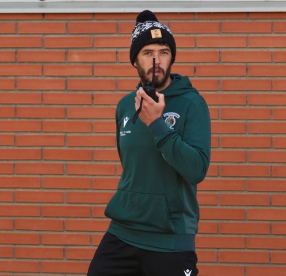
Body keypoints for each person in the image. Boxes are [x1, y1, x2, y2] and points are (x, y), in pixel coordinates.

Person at [87, 10, 211, 276]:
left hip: (170, 239)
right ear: (135, 61)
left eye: (164, 52)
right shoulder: (124, 106)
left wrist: (158, 125)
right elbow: (131, 167)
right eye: (147, 52)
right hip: (122, 232)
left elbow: (196, 170)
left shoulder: (192, 104)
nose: (157, 60)